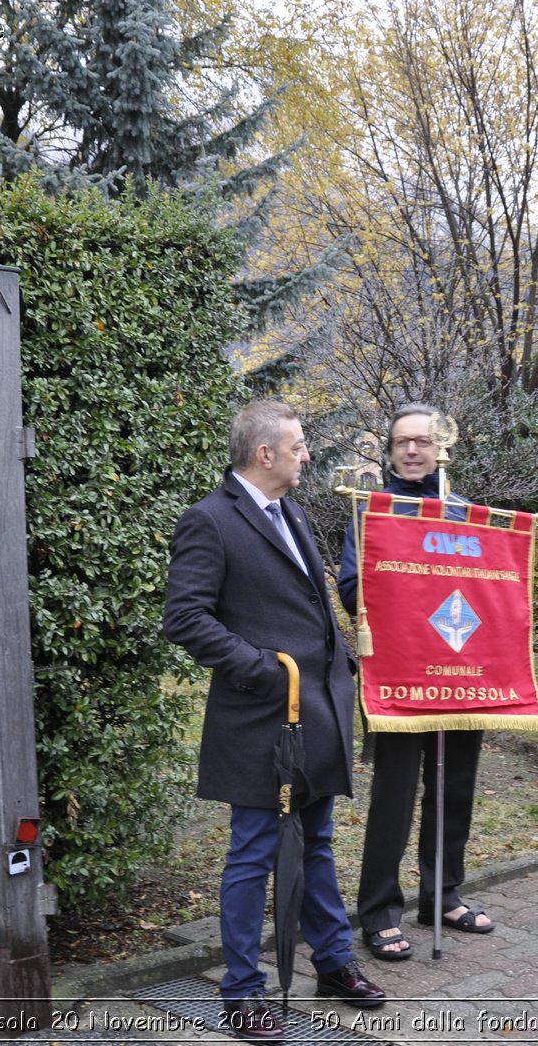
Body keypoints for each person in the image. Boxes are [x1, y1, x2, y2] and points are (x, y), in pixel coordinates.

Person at [163, 400, 385, 1041]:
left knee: (316, 842)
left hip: (316, 713)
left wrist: (340, 660)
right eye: (299, 445)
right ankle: (241, 993)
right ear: (266, 454)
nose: (307, 454)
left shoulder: (288, 510)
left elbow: (310, 601)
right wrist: (265, 669)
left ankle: (335, 963)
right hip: (261, 717)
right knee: (253, 853)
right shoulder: (209, 520)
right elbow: (186, 619)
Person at [337, 403, 493, 961]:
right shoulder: (373, 512)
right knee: (395, 795)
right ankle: (379, 910)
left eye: (421, 442)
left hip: (460, 672)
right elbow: (352, 586)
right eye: (401, 442)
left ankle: (443, 893)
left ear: (440, 448)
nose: (410, 451)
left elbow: (491, 584)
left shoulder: (466, 513)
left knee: (454, 790)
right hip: (402, 676)